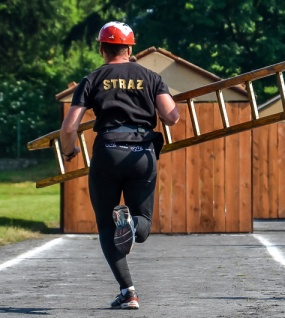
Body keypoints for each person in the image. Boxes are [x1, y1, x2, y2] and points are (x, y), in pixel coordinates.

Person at [59, 21, 180, 309]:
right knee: (144, 225)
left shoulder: (92, 79)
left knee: (105, 226)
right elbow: (172, 116)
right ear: (129, 48)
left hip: (108, 153)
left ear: (102, 49)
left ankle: (129, 292)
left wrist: (69, 150)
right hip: (142, 154)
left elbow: (68, 127)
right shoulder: (150, 77)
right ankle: (130, 223)